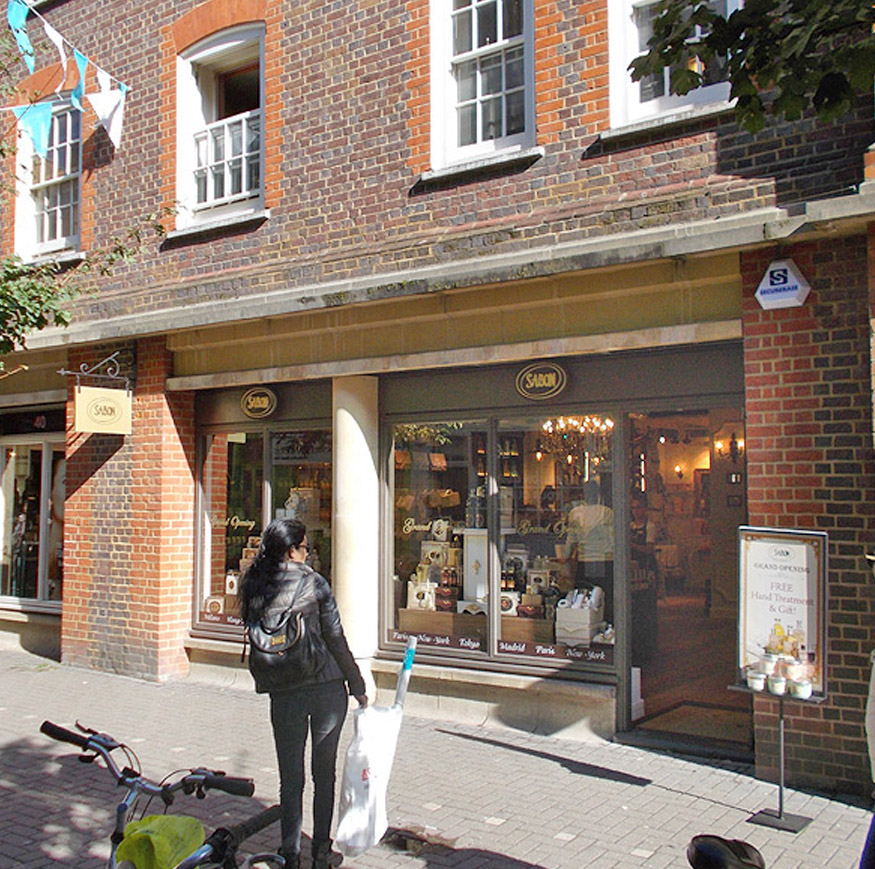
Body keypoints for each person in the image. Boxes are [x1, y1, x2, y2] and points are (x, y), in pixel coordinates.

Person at [239, 518, 368, 869]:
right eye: (305, 547)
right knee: (323, 774)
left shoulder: (255, 584)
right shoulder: (314, 583)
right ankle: (322, 852)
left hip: (283, 690)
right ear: (293, 549)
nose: (307, 553)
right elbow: (335, 639)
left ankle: (289, 853)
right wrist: (357, 684)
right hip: (325, 687)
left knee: (290, 778)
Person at [565, 479, 615, 621]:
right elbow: (613, 540)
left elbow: (571, 539)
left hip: (585, 560)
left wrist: (566, 556)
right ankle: (606, 625)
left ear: (583, 494)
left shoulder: (576, 513)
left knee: (583, 598)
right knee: (605, 598)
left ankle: (585, 625)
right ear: (598, 494)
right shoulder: (607, 513)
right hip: (605, 560)